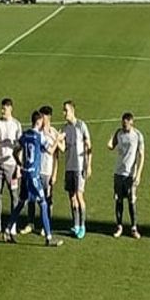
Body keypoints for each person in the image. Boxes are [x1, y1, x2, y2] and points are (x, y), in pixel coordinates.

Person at [0, 111, 63, 247]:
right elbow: (50, 151)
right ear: (38, 122)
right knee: (44, 204)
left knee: (21, 202)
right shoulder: (39, 136)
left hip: (25, 174)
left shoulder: (25, 135)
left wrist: (20, 163)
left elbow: (15, 151)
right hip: (34, 176)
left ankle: (7, 230)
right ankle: (49, 237)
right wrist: (58, 139)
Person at [25, 105, 64, 235]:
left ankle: (44, 225)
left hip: (47, 171)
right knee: (31, 198)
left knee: (46, 199)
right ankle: (30, 223)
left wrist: (54, 173)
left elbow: (57, 154)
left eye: (43, 117)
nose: (41, 119)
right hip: (36, 170)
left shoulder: (54, 132)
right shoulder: (37, 132)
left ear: (48, 117)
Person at [109, 112, 145, 239]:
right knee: (118, 200)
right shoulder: (119, 133)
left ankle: (134, 228)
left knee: (131, 201)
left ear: (131, 122)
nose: (124, 126)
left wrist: (139, 174)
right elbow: (111, 146)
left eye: (126, 124)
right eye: (122, 124)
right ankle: (119, 226)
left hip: (130, 174)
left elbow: (141, 156)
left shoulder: (138, 136)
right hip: (118, 173)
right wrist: (110, 142)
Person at [0, 98, 21, 236]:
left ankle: (13, 224)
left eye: (5, 109)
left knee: (14, 195)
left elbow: (20, 146)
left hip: (12, 165)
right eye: (2, 109)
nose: (2, 111)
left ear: (10, 109)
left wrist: (19, 166)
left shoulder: (16, 125)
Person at [62, 100, 92, 239]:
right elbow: (63, 149)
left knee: (79, 196)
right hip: (69, 166)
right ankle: (76, 224)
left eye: (65, 110)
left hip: (79, 167)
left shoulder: (81, 125)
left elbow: (89, 146)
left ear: (72, 111)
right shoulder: (65, 128)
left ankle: (83, 225)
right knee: (71, 197)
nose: (63, 113)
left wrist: (88, 165)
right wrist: (58, 140)